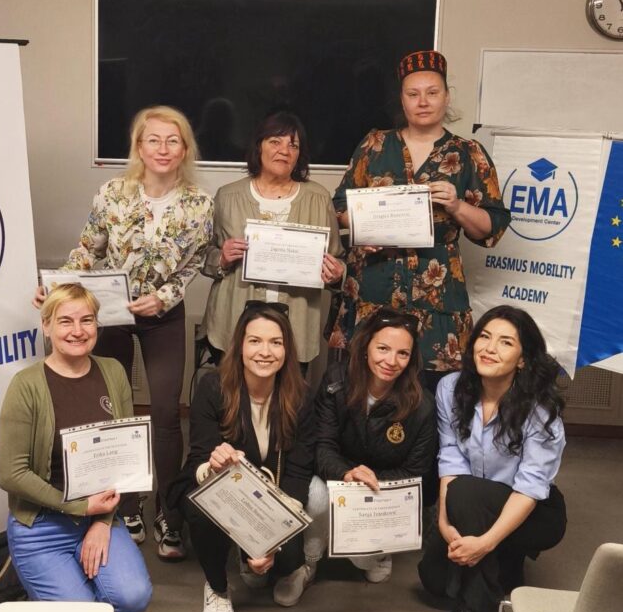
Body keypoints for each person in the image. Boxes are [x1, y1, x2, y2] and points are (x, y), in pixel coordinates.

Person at [38, 105, 214, 560]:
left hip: (163, 318)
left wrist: (165, 297)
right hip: (112, 313)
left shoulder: (199, 203)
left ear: (185, 149)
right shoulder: (112, 194)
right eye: (153, 139)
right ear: (139, 146)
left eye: (172, 140)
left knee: (165, 413)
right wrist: (56, 288)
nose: (162, 149)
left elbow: (195, 262)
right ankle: (127, 506)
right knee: (114, 410)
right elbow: (88, 249)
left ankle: (168, 513)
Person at [330, 50, 511, 393]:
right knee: (361, 388)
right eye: (413, 94)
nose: (423, 102)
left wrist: (457, 205)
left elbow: (492, 227)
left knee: (432, 393)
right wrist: (364, 229)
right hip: (374, 284)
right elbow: (340, 204)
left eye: (432, 92)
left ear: (447, 96)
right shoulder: (375, 145)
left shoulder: (468, 153)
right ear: (402, 100)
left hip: (436, 295)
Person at [0, 284, 152, 612]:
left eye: (87, 320)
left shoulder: (113, 371)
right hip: (42, 527)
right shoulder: (26, 386)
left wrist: (101, 522)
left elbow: (124, 457)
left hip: (97, 516)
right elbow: (11, 474)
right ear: (46, 326)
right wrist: (80, 508)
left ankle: (66, 597)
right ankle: (37, 583)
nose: (77, 331)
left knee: (134, 597)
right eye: (65, 321)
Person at [418, 306, 567, 612]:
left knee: (468, 493)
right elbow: (450, 459)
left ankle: (479, 609)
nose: (489, 348)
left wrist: (484, 544)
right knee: (434, 581)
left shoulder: (540, 408)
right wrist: (444, 524)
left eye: (505, 342)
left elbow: (530, 488)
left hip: (532, 509)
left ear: (523, 359)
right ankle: (505, 559)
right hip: (468, 503)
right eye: (484, 337)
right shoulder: (450, 388)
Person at [168, 304, 315, 612]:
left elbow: (298, 471)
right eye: (255, 341)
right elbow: (197, 460)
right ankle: (217, 588)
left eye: (276, 342)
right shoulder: (213, 387)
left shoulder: (302, 396)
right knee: (200, 505)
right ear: (240, 345)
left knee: (283, 563)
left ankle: (294, 565)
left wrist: (270, 540)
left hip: (275, 496)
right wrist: (213, 465)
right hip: (227, 492)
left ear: (288, 350)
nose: (265, 352)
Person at [305, 307, 437, 585]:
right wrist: (347, 475)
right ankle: (309, 560)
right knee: (315, 496)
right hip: (339, 476)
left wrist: (370, 483)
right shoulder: (336, 380)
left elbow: (416, 472)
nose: (391, 361)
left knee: (368, 566)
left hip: (381, 489)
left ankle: (376, 555)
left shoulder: (422, 405)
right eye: (383, 348)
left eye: (403, 353)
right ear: (366, 347)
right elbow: (321, 444)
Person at [201, 111, 344, 367]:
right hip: (233, 321)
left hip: (296, 325)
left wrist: (336, 274)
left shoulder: (318, 198)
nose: (284, 151)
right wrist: (221, 258)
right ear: (259, 146)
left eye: (293, 145)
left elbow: (338, 259)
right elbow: (203, 255)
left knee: (290, 393)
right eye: (275, 142)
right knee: (233, 392)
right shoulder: (227, 196)